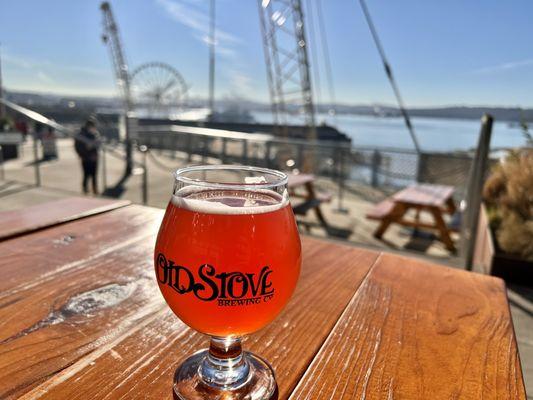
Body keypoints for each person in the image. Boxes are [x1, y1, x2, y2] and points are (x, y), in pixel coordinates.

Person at [75, 119, 100, 194]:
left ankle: (94, 189)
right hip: (86, 157)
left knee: (94, 174)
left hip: (94, 157)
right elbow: (77, 146)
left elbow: (97, 144)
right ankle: (85, 189)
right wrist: (83, 153)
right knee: (86, 174)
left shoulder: (95, 133)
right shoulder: (81, 134)